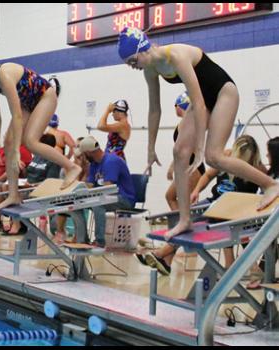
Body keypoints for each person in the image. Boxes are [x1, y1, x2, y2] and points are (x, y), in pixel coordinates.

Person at [118, 26, 279, 239]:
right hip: (202, 99)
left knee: (215, 157)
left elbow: (199, 103)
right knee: (179, 152)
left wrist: (201, 148)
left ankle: (270, 184)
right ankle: (184, 219)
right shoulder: (151, 69)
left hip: (223, 93)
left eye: (132, 60)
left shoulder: (175, 55)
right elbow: (154, 109)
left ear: (143, 48)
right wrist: (150, 148)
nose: (133, 66)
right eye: (129, 63)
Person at [0, 60, 81, 211]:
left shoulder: (3, 75)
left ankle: (71, 167)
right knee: (8, 142)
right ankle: (13, 195)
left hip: (45, 97)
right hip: (27, 103)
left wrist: (17, 150)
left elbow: (16, 115)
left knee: (31, 142)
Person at [139, 135, 266, 276]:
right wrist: (196, 191)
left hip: (234, 210)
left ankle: (163, 253)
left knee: (222, 221)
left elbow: (266, 192)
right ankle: (167, 258)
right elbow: (207, 176)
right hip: (214, 201)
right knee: (187, 218)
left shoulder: (258, 168)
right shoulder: (226, 156)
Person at [79, 135, 135, 247]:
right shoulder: (94, 164)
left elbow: (108, 188)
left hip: (124, 198)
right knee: (78, 205)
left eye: (83, 154)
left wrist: (90, 193)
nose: (82, 157)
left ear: (89, 152)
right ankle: (82, 239)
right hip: (106, 197)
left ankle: (99, 241)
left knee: (98, 204)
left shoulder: (111, 161)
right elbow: (89, 186)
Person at [165, 92, 206, 210]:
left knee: (181, 201)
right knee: (172, 197)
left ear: (179, 106)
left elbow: (183, 149)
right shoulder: (187, 122)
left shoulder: (188, 123)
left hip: (193, 168)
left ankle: (184, 225)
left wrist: (173, 167)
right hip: (191, 166)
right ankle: (181, 224)